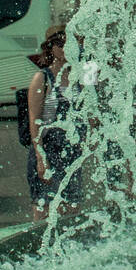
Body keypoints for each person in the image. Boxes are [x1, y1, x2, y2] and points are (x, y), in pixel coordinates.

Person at [24, 24, 86, 216]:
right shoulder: (42, 78)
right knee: (45, 207)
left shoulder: (79, 78)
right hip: (48, 149)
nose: (65, 48)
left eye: (71, 43)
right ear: (50, 47)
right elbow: (35, 121)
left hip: (71, 151)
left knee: (73, 207)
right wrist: (41, 159)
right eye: (60, 43)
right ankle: (38, 244)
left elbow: (90, 110)